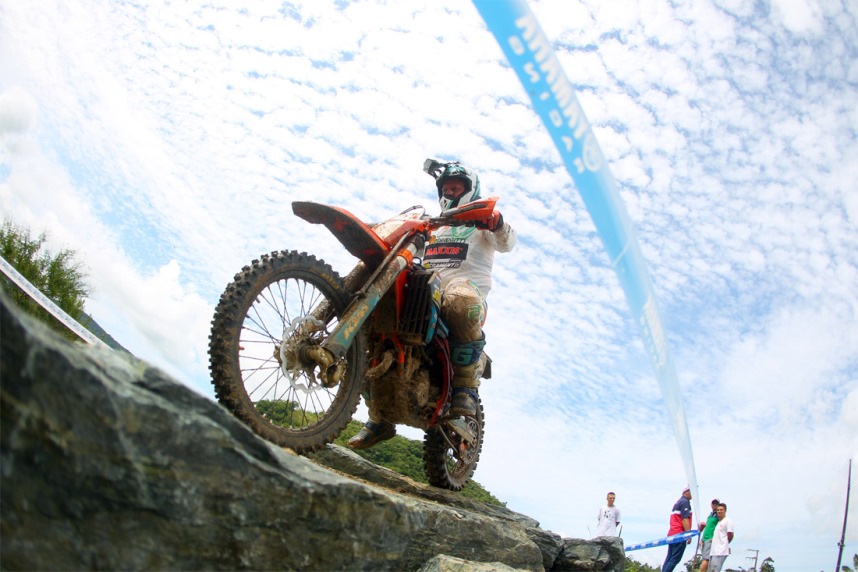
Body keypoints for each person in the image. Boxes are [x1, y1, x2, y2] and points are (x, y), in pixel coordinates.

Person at [347, 159, 517, 448]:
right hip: (426, 290)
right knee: (379, 309)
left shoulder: (481, 223)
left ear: (470, 189)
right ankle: (379, 417)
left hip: (465, 289)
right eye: (446, 187)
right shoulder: (432, 226)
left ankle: (465, 389)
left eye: (456, 187)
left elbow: (507, 242)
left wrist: (497, 221)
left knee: (460, 302)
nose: (450, 191)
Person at [661, 486, 693, 572]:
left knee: (669, 558)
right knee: (674, 559)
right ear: (686, 492)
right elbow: (685, 519)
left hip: (672, 533)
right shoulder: (685, 502)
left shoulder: (678, 502)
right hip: (679, 534)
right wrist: (688, 534)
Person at [708, 503, 734, 572]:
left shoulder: (727, 521)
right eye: (718, 510)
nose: (719, 511)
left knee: (715, 570)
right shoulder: (719, 522)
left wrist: (725, 544)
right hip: (713, 552)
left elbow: (730, 534)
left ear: (725, 510)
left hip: (720, 552)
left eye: (721, 510)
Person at [698, 499, 720, 572]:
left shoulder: (718, 516)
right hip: (705, 539)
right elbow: (707, 528)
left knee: (706, 559)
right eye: (713, 503)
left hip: (710, 539)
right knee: (706, 559)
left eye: (716, 503)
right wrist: (702, 539)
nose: (714, 505)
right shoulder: (710, 515)